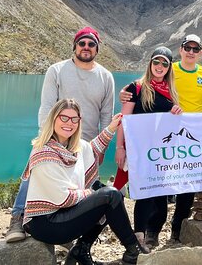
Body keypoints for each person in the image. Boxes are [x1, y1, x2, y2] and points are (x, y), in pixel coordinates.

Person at [6, 26, 116, 242]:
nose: (86, 47)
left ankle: (68, 231)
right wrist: (45, 139)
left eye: (91, 44)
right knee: (34, 173)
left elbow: (106, 114)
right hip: (54, 138)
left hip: (86, 143)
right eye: (82, 43)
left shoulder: (106, 77)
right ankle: (18, 217)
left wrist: (102, 148)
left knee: (78, 185)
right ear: (74, 46)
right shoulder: (56, 70)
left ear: (97, 48)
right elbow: (47, 106)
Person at [119, 34, 202, 245]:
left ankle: (177, 229)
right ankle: (149, 232)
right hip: (152, 145)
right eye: (187, 48)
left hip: (184, 141)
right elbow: (127, 117)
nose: (191, 52)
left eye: (195, 48)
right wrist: (121, 146)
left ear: (200, 51)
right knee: (153, 189)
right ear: (181, 50)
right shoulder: (143, 85)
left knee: (184, 187)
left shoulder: (201, 77)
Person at [22, 98, 145, 265]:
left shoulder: (74, 146)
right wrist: (94, 194)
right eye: (63, 117)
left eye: (74, 119)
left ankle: (81, 249)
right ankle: (133, 251)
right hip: (45, 223)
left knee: (113, 197)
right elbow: (63, 198)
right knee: (109, 196)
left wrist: (111, 128)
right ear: (53, 119)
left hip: (62, 216)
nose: (69, 123)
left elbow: (91, 150)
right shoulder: (43, 153)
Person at [114, 46, 182, 251]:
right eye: (156, 62)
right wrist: (119, 147)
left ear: (169, 67)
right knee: (144, 192)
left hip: (160, 152)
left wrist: (177, 112)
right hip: (139, 150)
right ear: (150, 63)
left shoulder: (170, 92)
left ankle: (151, 234)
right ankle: (139, 237)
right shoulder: (136, 87)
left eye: (164, 63)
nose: (160, 66)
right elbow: (123, 119)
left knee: (159, 194)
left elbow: (171, 124)